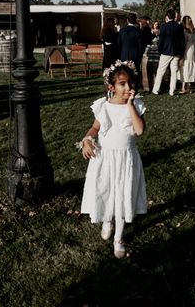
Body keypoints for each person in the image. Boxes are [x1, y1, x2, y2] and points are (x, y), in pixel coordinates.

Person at [79, 60, 147, 259]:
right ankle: (107, 220)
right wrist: (87, 139)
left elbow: (140, 130)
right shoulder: (104, 107)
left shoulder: (136, 105)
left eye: (130, 83)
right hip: (105, 159)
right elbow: (95, 128)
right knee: (108, 190)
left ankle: (118, 237)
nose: (128, 87)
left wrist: (131, 105)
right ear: (111, 87)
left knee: (123, 194)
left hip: (126, 159)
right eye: (122, 84)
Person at [151, 9, 185, 96]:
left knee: (160, 71)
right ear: (175, 17)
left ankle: (156, 89)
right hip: (176, 52)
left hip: (166, 52)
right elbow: (182, 41)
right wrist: (181, 52)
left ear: (167, 16)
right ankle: (172, 91)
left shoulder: (163, 26)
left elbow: (161, 41)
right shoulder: (179, 27)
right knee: (174, 72)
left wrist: (160, 51)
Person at [180, 16, 195, 94]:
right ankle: (189, 87)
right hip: (194, 49)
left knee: (185, 67)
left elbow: (184, 42)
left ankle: (183, 87)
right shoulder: (193, 30)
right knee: (191, 67)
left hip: (187, 49)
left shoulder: (185, 31)